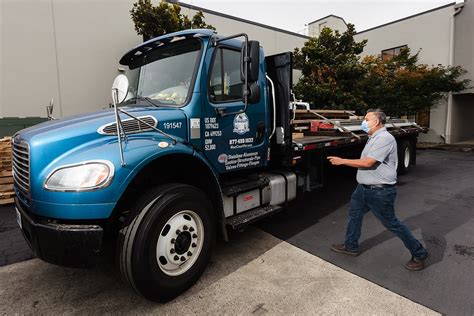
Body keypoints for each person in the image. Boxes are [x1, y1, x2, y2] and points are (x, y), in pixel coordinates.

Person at [327, 109, 429, 271]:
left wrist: (342, 161)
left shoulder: (384, 138)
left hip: (379, 192)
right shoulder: (373, 137)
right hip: (363, 189)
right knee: (355, 215)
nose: (363, 122)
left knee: (392, 224)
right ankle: (350, 246)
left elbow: (368, 163)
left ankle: (419, 253)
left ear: (376, 122)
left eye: (366, 119)